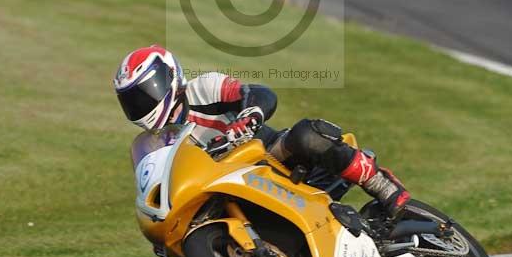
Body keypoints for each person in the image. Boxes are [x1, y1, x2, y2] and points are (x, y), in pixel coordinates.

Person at [114, 45, 410, 219]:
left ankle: (380, 184)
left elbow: (259, 93)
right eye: (132, 101)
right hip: (226, 193)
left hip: (270, 157)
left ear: (169, 77)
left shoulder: (204, 88)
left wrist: (250, 114)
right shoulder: (155, 144)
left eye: (144, 94)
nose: (142, 105)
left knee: (305, 135)